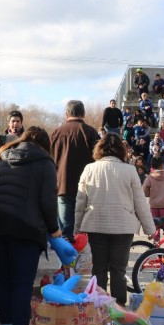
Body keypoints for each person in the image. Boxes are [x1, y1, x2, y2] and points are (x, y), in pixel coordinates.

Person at [0, 126, 59, 325]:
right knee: (22, 284)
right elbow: (48, 202)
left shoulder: (4, 157)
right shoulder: (44, 162)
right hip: (24, 229)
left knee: (3, 281)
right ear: (45, 145)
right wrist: (54, 230)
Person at [74, 134, 156, 306]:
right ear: (121, 150)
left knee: (99, 269)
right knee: (119, 270)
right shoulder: (130, 170)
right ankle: (118, 308)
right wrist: (150, 230)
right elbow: (140, 202)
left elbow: (80, 202)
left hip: (96, 225)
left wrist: (77, 229)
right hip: (123, 228)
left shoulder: (89, 169)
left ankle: (99, 306)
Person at [51, 100, 100, 239]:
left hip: (62, 186)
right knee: (84, 232)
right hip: (87, 188)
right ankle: (83, 260)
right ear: (83, 113)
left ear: (66, 114)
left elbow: (50, 159)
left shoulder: (56, 133)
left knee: (65, 232)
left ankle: (67, 261)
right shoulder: (90, 132)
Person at [142, 156, 164, 229]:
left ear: (152, 166)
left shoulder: (150, 177)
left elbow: (144, 190)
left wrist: (150, 194)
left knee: (155, 225)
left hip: (154, 205)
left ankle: (156, 239)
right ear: (162, 165)